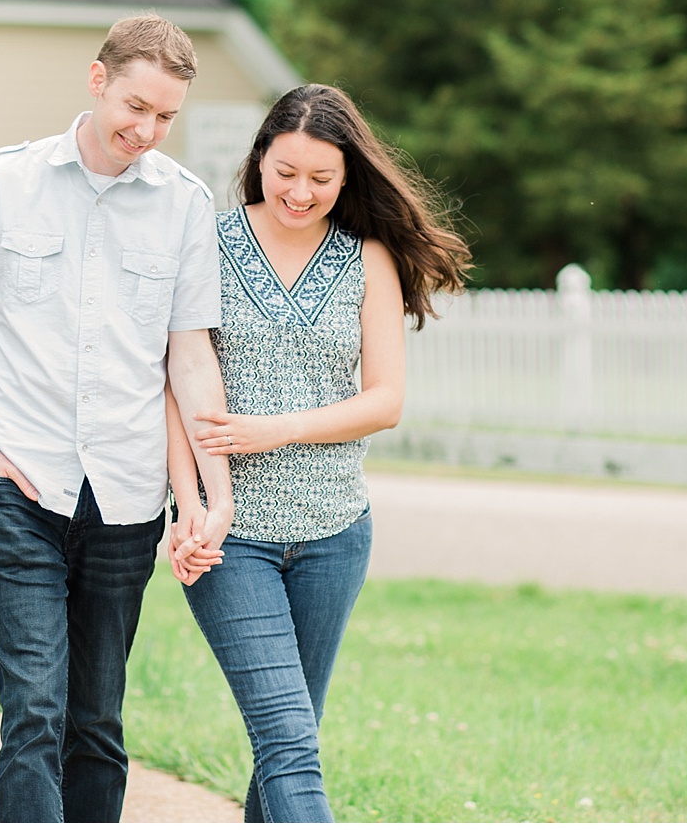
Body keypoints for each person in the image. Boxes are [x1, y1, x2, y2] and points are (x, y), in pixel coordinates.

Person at [0, 14, 236, 823]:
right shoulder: (6, 180)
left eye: (167, 116)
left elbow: (190, 358)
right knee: (33, 711)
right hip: (17, 483)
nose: (147, 129)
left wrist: (203, 490)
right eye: (136, 105)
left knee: (95, 721)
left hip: (127, 495)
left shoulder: (184, 204)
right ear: (97, 80)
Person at [167, 83, 472, 822]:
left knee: (287, 740)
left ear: (347, 176)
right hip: (230, 539)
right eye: (285, 171)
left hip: (336, 534)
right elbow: (173, 384)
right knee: (289, 740)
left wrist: (275, 427)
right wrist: (190, 506)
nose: (300, 192)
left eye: (321, 179)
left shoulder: (367, 258)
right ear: (259, 158)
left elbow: (385, 400)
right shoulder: (205, 241)